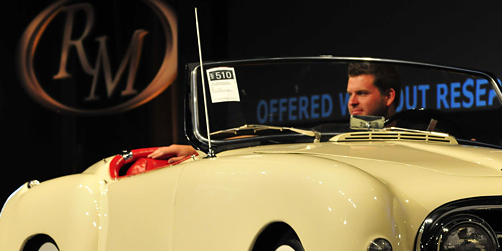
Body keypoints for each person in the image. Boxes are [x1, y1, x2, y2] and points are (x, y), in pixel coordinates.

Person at [150, 62, 405, 162]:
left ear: (388, 96)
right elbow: (267, 140)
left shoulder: (417, 137)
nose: (352, 102)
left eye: (361, 93)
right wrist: (200, 150)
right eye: (350, 94)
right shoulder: (328, 134)